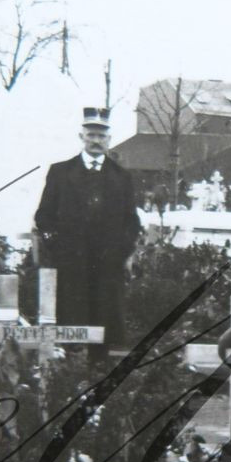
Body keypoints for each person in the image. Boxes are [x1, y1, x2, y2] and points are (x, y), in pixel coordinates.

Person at [33, 107, 141, 350]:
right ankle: (68, 374)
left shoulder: (121, 176)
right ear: (81, 137)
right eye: (91, 135)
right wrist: (57, 246)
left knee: (105, 330)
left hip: (107, 265)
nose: (96, 141)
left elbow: (132, 221)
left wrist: (121, 250)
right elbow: (43, 216)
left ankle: (100, 374)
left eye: (101, 136)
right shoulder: (60, 172)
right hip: (72, 263)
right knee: (71, 325)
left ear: (109, 140)